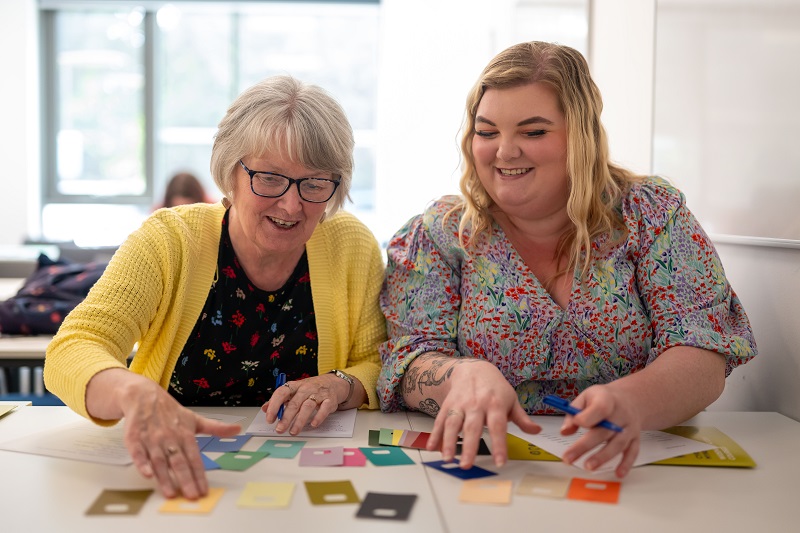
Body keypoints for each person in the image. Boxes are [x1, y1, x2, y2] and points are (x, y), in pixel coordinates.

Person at [378, 41, 757, 478]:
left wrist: (634, 400)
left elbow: (703, 350)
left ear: (582, 135)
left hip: (634, 471)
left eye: (533, 132)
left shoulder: (652, 215)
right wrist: (458, 376)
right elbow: (406, 360)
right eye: (487, 132)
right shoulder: (441, 233)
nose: (504, 151)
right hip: (491, 470)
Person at [45, 75, 387, 499]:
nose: (291, 204)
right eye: (270, 178)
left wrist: (340, 384)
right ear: (231, 172)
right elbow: (72, 348)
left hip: (304, 479)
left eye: (314, 184)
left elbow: (376, 362)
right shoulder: (169, 241)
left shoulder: (352, 244)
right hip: (176, 470)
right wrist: (131, 392)